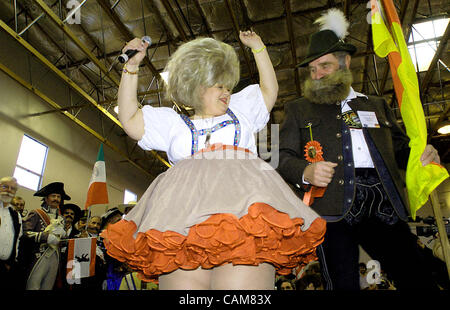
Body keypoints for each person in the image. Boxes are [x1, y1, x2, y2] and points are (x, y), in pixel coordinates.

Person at [101, 30, 326, 290]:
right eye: (219, 85)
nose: (226, 92)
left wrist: (258, 48)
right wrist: (131, 67)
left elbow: (269, 89)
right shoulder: (174, 124)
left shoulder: (241, 110)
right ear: (197, 86)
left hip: (244, 218)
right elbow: (129, 119)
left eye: (228, 86)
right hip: (183, 223)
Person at [277, 9, 442, 290]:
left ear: (345, 63)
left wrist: (425, 152)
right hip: (330, 209)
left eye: (324, 66)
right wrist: (305, 170)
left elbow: (402, 148)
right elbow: (280, 158)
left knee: (418, 277)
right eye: (312, 69)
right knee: (343, 285)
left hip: (382, 202)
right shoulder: (297, 109)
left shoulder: (376, 105)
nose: (316, 74)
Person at [19, 182, 71, 290]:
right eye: (53, 196)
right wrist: (46, 237)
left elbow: (63, 242)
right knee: (33, 285)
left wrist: (65, 240)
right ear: (46, 198)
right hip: (38, 256)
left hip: (55, 257)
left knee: (48, 286)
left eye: (58, 196)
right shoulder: (37, 213)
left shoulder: (63, 219)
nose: (56, 199)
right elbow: (25, 233)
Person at [0, 176, 23, 289]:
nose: (8, 190)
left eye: (12, 189)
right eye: (5, 186)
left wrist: (12, 261)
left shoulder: (16, 215)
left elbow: (17, 239)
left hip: (6, 266)